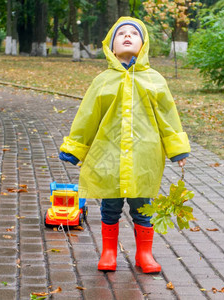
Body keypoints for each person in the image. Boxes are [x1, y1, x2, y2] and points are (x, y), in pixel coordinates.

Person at [59, 17, 190, 273]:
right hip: (108, 155)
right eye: (121, 34)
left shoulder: (154, 80)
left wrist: (177, 148)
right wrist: (74, 148)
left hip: (144, 156)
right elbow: (88, 116)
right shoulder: (103, 81)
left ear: (143, 45)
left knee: (143, 208)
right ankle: (109, 252)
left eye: (134, 33)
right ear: (111, 46)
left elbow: (168, 115)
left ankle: (145, 254)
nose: (127, 36)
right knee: (110, 207)